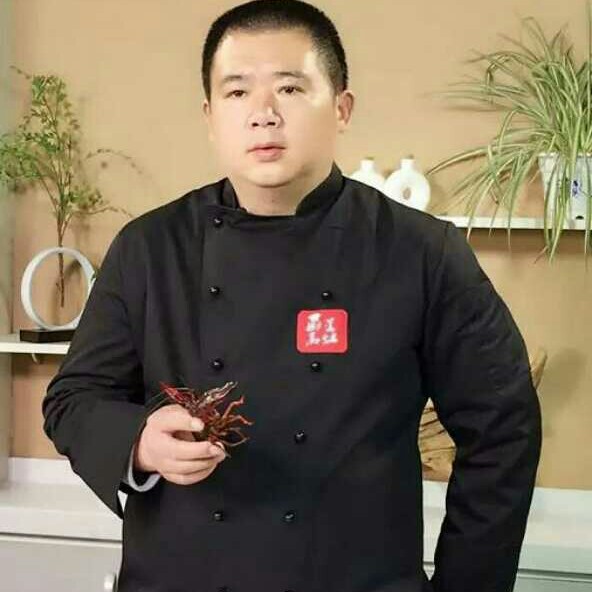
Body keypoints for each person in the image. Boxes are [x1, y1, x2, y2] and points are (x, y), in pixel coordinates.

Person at [41, 1, 542, 591]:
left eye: (290, 88)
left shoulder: (422, 253)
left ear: (342, 108)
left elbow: (503, 429)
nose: (263, 115)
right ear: (210, 117)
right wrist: (138, 441)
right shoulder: (149, 247)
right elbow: (74, 399)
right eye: (237, 92)